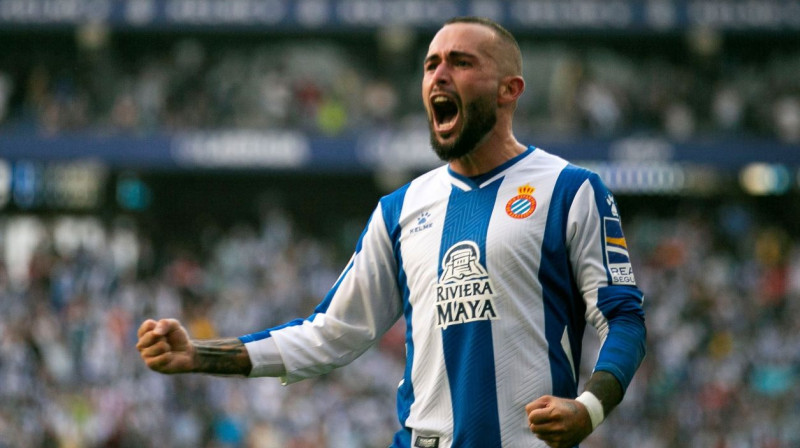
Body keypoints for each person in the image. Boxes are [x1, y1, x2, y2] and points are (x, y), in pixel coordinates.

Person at [136, 16, 646, 448]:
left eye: (461, 63)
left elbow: (623, 318)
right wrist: (198, 354)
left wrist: (589, 408)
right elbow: (331, 333)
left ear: (509, 90)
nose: (438, 75)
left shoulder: (569, 189)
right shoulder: (400, 210)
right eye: (430, 65)